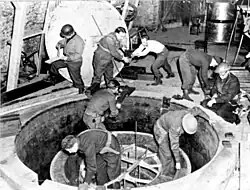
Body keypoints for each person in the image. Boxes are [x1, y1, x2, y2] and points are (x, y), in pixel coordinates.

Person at [153, 106, 211, 178]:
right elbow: (174, 145)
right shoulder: (175, 127)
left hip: (167, 125)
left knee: (167, 152)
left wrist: (208, 119)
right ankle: (164, 175)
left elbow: (198, 109)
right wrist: (177, 162)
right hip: (160, 130)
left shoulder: (189, 115)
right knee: (167, 154)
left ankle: (167, 165)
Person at [87, 27, 130, 95]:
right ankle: (93, 93)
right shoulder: (109, 39)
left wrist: (122, 47)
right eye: (121, 36)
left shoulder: (116, 37)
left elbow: (117, 45)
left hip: (108, 58)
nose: (122, 38)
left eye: (123, 36)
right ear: (116, 33)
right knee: (98, 76)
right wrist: (123, 58)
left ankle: (111, 91)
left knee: (109, 75)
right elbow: (114, 52)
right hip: (101, 58)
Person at [45, 24, 85, 94]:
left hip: (74, 62)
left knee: (75, 76)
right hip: (66, 59)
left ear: (72, 33)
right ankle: (54, 78)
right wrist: (59, 44)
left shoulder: (79, 41)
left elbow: (78, 55)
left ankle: (81, 88)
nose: (65, 37)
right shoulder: (68, 37)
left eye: (66, 35)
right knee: (54, 65)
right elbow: (64, 41)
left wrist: (68, 58)